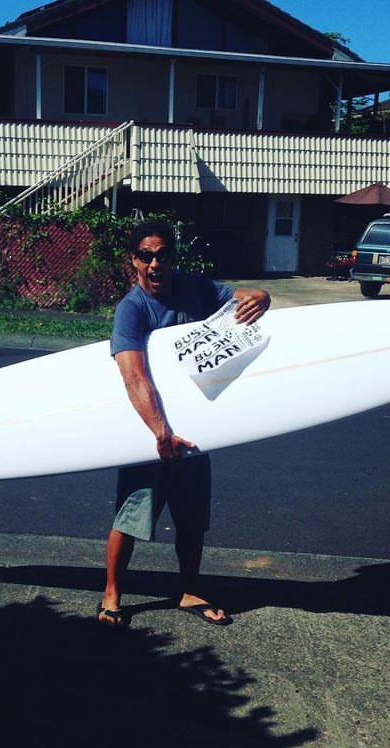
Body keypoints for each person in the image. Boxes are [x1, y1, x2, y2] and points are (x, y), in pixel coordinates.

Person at [97, 220, 270, 628]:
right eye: (146, 256)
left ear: (173, 258)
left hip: (193, 427)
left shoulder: (196, 289)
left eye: (162, 255)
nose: (155, 264)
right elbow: (134, 377)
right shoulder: (132, 309)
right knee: (131, 517)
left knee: (192, 522)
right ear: (133, 261)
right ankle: (111, 595)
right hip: (150, 431)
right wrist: (161, 432)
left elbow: (242, 296)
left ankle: (189, 590)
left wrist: (262, 297)